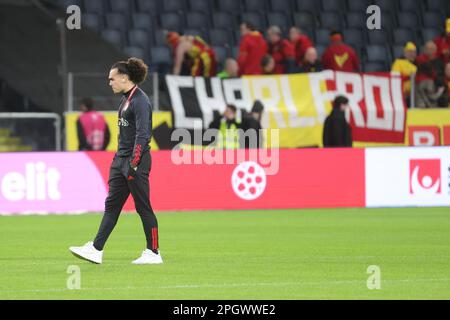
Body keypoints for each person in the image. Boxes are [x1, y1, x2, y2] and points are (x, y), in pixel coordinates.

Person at [69, 58, 162, 265]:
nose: (109, 82)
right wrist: (118, 160)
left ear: (124, 78)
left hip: (134, 162)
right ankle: (96, 249)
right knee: (111, 206)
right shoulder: (126, 99)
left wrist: (133, 163)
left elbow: (143, 135)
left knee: (143, 207)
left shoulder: (140, 100)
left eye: (112, 79)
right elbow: (125, 134)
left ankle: (154, 252)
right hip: (121, 160)